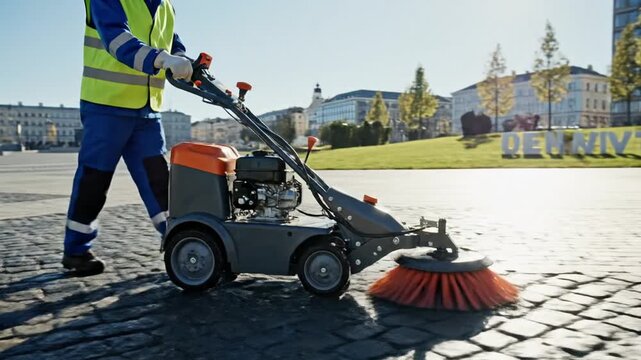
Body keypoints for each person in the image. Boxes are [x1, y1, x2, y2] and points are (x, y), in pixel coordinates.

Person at [62, 0, 193, 275]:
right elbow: (116, 39)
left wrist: (183, 59)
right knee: (94, 179)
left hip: (147, 110)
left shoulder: (165, 6)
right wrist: (163, 60)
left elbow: (171, 42)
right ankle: (76, 250)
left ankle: (178, 239)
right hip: (106, 105)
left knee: (159, 179)